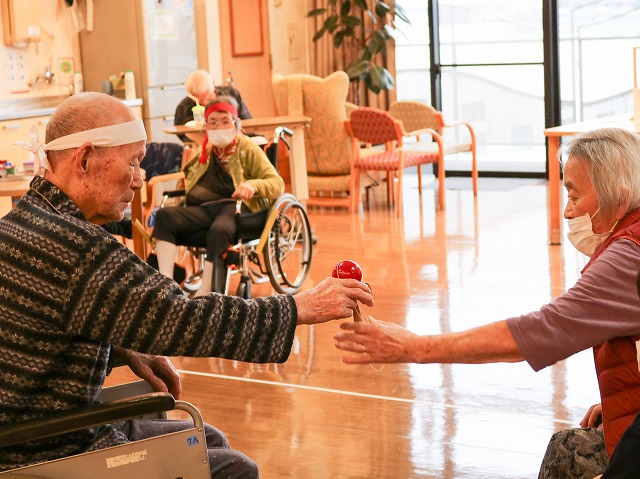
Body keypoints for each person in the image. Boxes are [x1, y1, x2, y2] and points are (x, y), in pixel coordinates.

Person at [2, 92, 374, 477]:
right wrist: (298, 307)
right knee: (235, 469)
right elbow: (185, 318)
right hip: (50, 445)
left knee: (207, 439)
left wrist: (122, 347)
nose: (139, 178)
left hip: (29, 426)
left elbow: (39, 334)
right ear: (83, 159)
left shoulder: (22, 221)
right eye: (132, 163)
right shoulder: (78, 248)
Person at [333, 128, 640, 477]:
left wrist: (413, 347)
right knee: (565, 447)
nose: (567, 214)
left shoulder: (627, 258)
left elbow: (544, 331)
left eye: (574, 196)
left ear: (620, 198)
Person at [153, 95, 280, 295]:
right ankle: (167, 286)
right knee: (164, 216)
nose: (219, 127)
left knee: (219, 229)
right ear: (206, 127)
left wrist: (252, 185)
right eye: (213, 122)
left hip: (236, 209)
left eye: (225, 121)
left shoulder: (248, 148)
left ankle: (206, 289)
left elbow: (277, 184)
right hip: (205, 209)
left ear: (235, 123)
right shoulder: (204, 151)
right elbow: (189, 179)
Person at [174, 69, 251, 143]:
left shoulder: (232, 94)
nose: (204, 104)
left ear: (213, 87)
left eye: (208, 99)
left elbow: (247, 121)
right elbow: (180, 133)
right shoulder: (184, 107)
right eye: (198, 101)